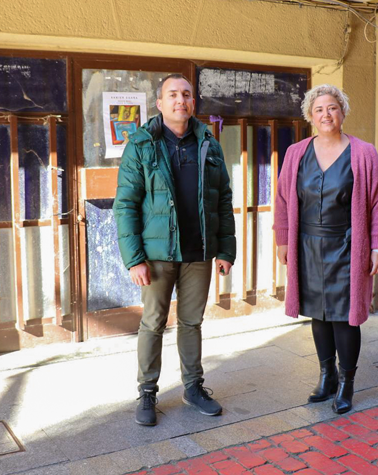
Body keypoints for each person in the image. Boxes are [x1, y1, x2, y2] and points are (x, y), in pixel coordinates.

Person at [113, 74, 236, 426]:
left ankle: (193, 387)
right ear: (160, 103)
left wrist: (226, 249)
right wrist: (134, 259)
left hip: (199, 250)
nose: (180, 100)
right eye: (173, 95)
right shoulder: (141, 144)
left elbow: (222, 199)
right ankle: (147, 392)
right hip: (157, 255)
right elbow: (125, 204)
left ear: (193, 102)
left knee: (192, 322)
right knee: (153, 322)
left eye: (186, 94)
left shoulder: (209, 144)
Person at [273, 84, 378, 414]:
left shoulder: (363, 152)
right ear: (310, 116)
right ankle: (326, 377)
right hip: (307, 246)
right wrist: (283, 239)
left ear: (342, 112)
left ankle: (346, 383)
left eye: (332, 108)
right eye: (319, 110)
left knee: (345, 317)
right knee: (318, 314)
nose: (326, 114)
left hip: (347, 246)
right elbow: (283, 200)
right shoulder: (296, 153)